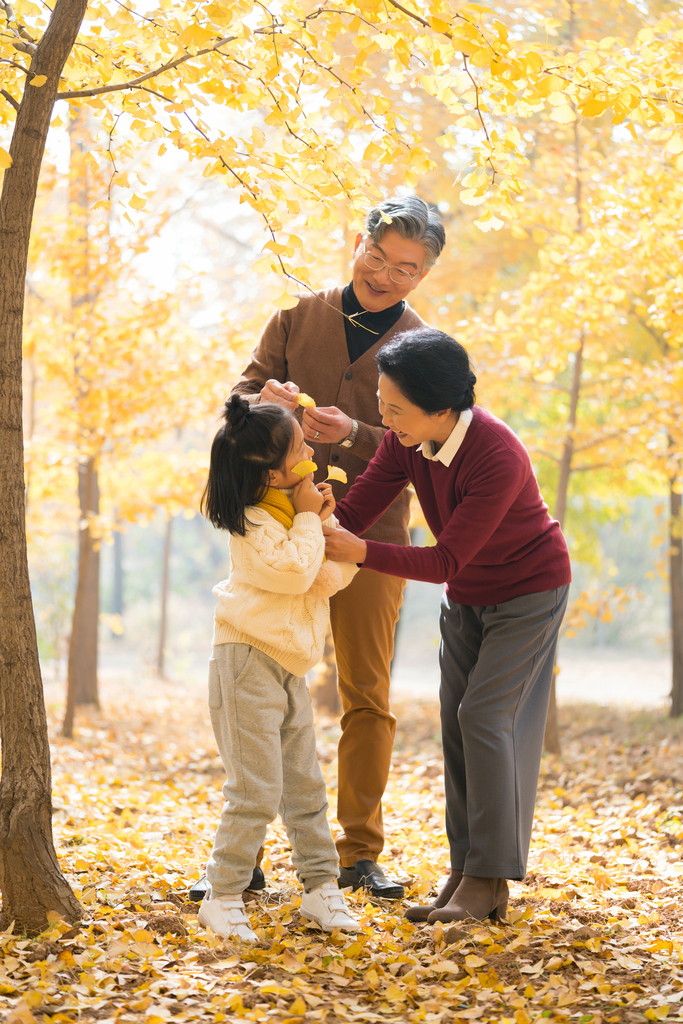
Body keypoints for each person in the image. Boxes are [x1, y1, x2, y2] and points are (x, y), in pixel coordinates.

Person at [231, 195, 446, 898]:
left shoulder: (425, 349)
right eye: (377, 257)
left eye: (405, 269)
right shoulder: (298, 315)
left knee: (365, 696)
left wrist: (351, 434)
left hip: (371, 535)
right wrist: (267, 408)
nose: (384, 276)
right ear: (358, 242)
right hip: (274, 525)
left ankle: (359, 852)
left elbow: (436, 443)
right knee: (258, 690)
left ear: (423, 275)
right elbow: (236, 402)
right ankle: (246, 850)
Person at [323, 329, 571, 923]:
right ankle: (466, 872)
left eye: (394, 410)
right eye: (382, 405)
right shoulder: (408, 441)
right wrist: (314, 522)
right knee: (457, 725)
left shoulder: (495, 453)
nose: (384, 420)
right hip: (468, 597)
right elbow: (359, 507)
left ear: (442, 409)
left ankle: (489, 880)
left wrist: (358, 553)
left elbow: (442, 560)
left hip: (528, 590)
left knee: (484, 718)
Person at [197, 394, 360, 941]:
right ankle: (221, 895)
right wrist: (311, 522)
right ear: (272, 476)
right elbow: (291, 574)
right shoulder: (252, 524)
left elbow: (320, 580)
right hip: (246, 664)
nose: (312, 452)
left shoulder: (294, 519)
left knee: (305, 788)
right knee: (256, 792)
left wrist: (337, 545)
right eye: (301, 450)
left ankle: (321, 887)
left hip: (289, 668)